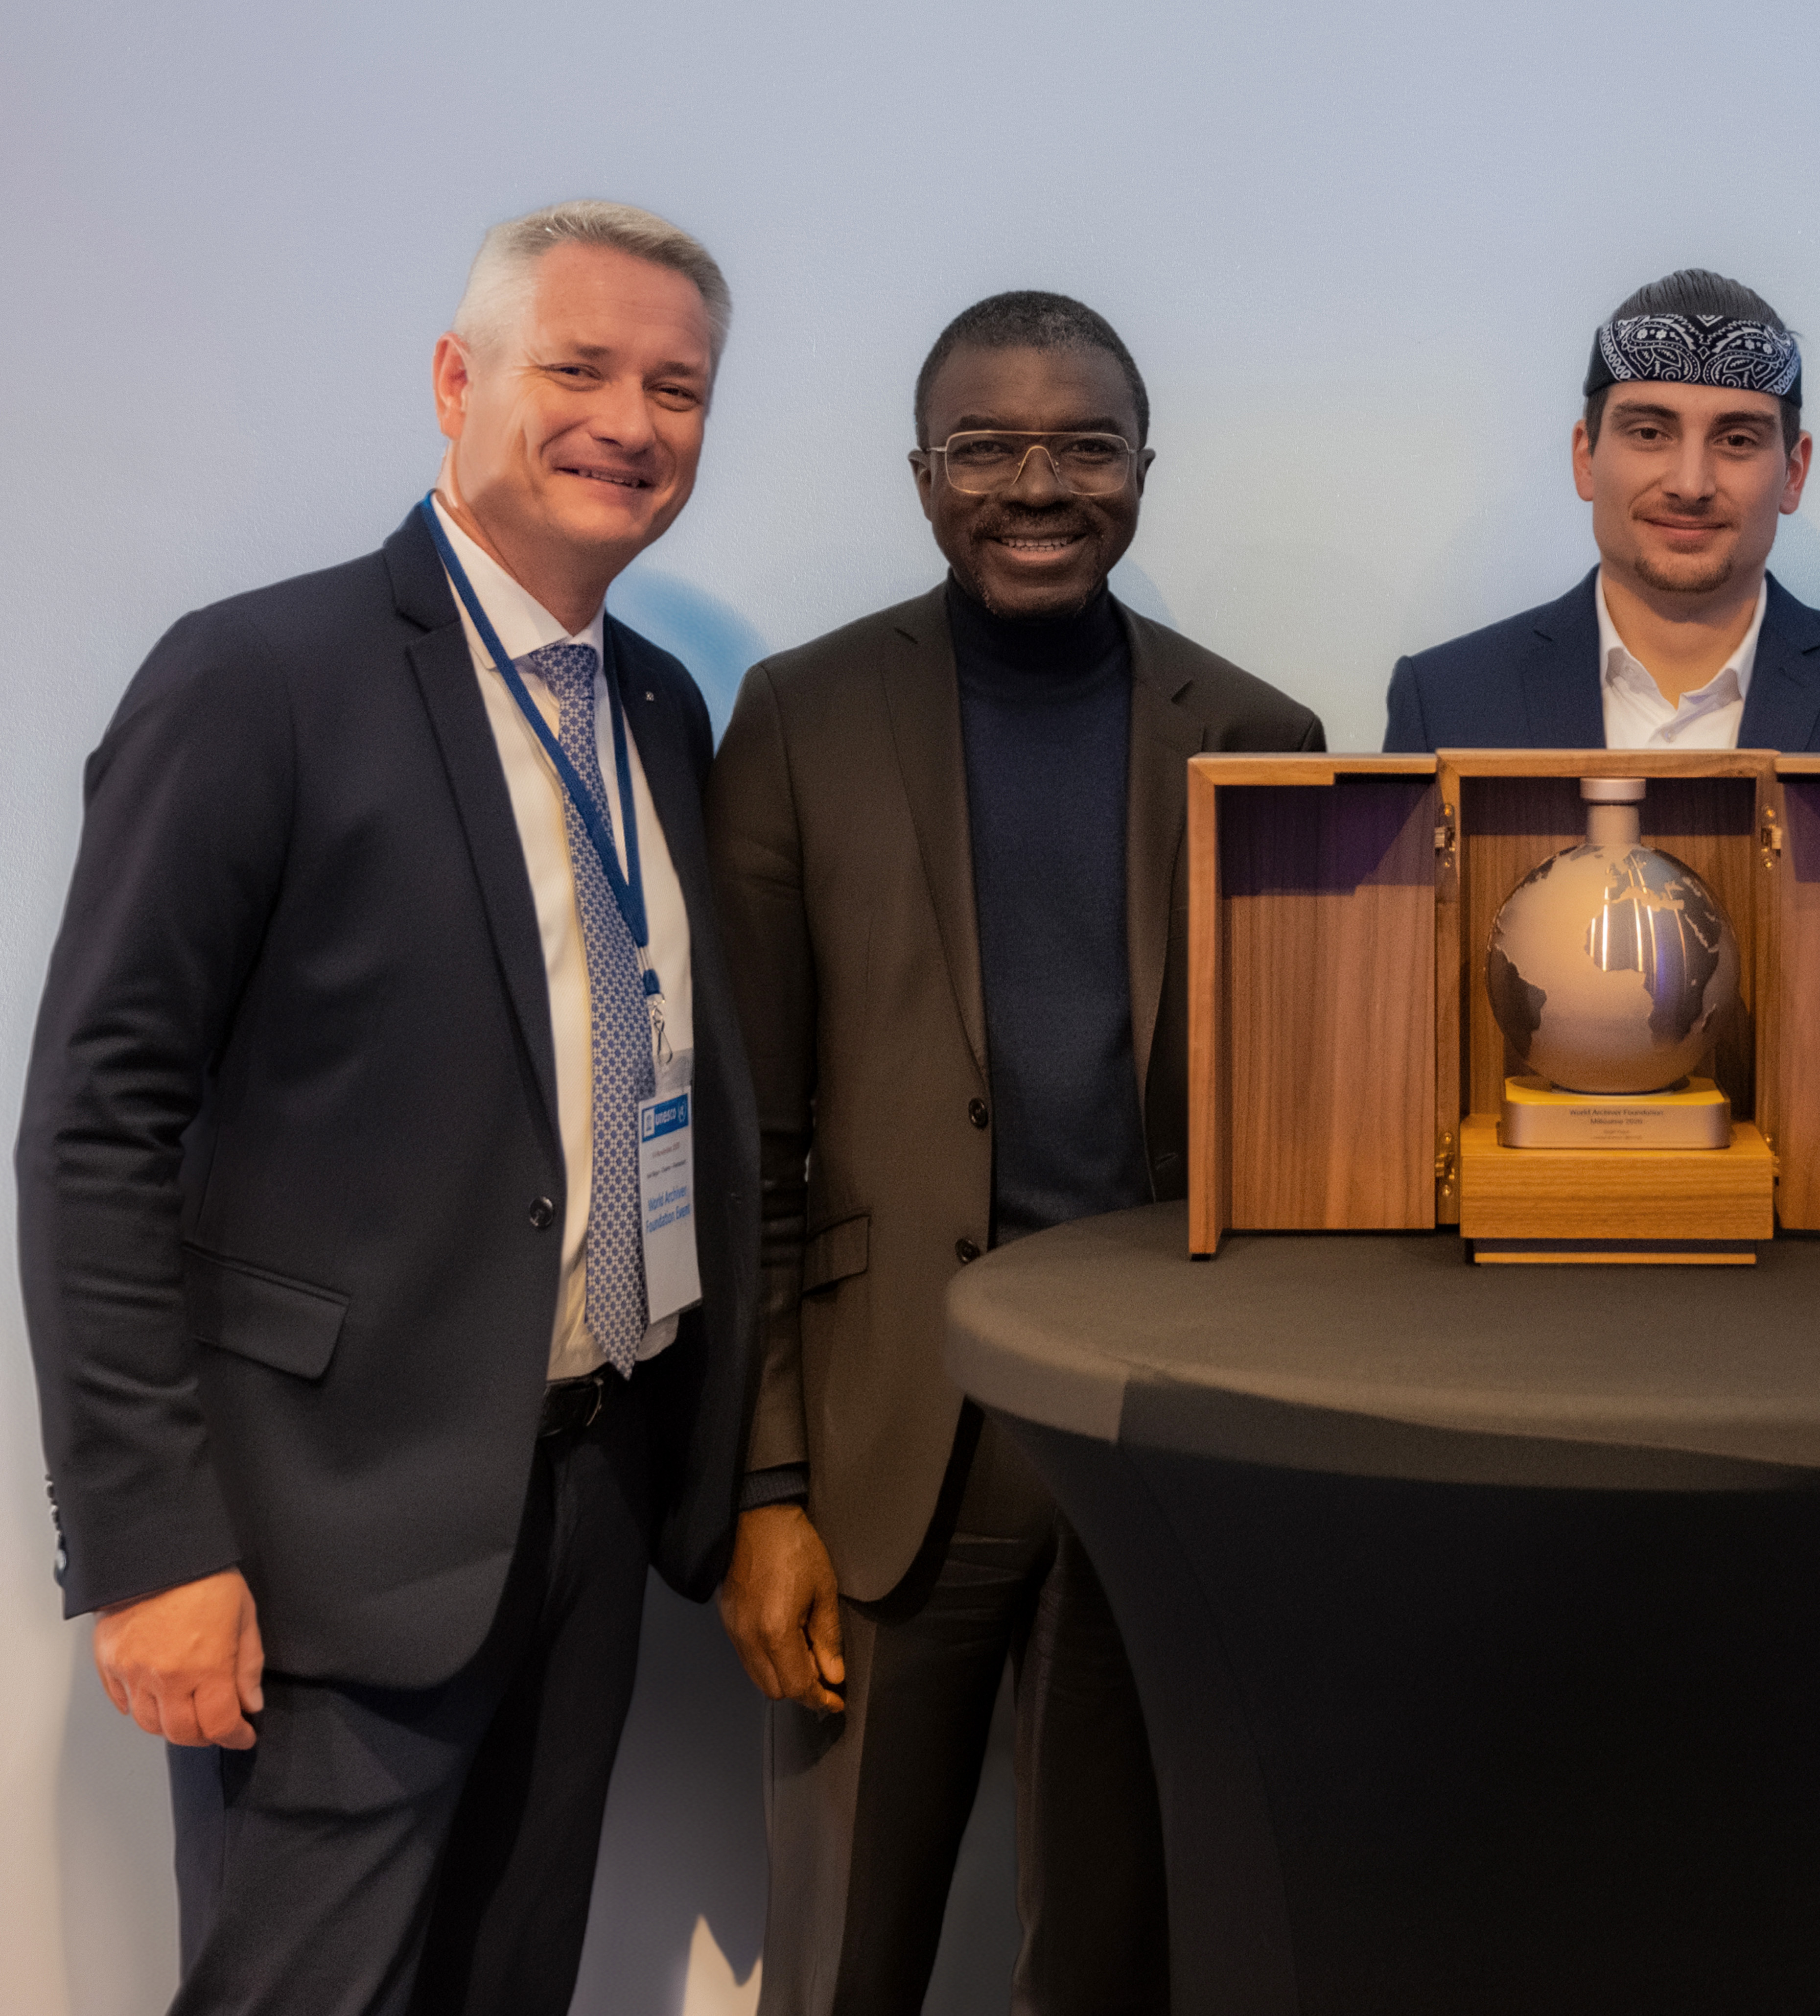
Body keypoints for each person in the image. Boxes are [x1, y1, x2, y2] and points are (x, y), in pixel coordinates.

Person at [16, 200, 759, 2016]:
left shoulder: (655, 705)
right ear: (457, 380)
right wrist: (152, 1547)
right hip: (321, 1537)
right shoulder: (258, 675)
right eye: (578, 368)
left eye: (676, 386)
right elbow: (91, 1127)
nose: (629, 421)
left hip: (586, 1495)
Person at [708, 290, 1323, 2016]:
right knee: (849, 1963)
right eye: (985, 446)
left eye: (1083, 445)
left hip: (1153, 1449)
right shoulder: (801, 716)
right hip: (888, 1447)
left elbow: (1296, 1149)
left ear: (1143, 471)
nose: (1035, 483)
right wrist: (763, 1487)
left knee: (1111, 1959)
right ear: (922, 473)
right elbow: (750, 1141)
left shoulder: (1261, 741)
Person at [1384, 268, 1820, 754]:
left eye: (1737, 441)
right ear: (1586, 457)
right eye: (1649, 433)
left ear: (1793, 473)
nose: (1691, 483)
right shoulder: (1446, 707)